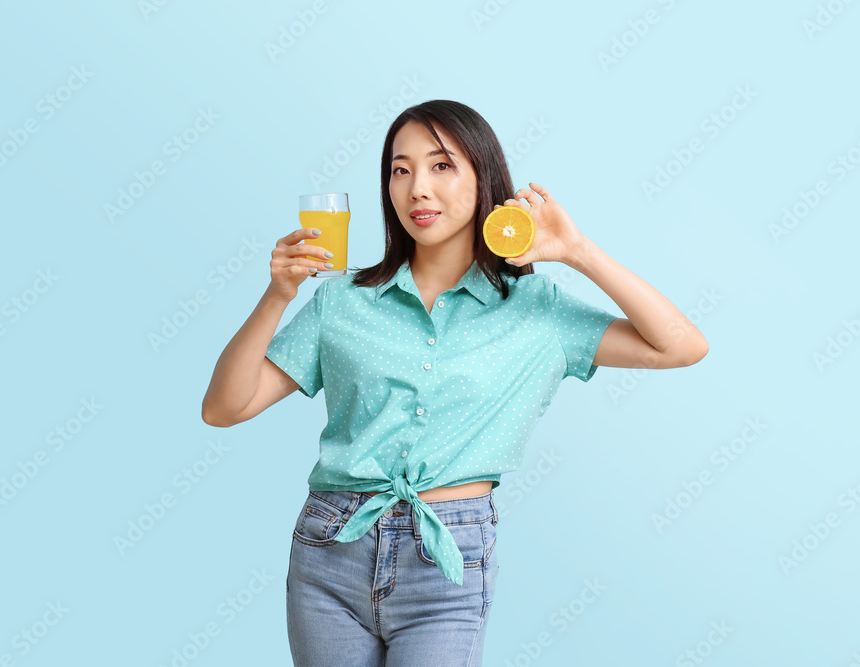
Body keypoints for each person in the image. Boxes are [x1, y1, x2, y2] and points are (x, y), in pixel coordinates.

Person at [201, 99, 708, 666]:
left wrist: (578, 253)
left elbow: (681, 345)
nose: (418, 187)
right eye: (400, 168)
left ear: (483, 178)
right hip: (329, 548)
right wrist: (278, 295)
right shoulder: (342, 302)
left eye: (442, 165)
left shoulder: (537, 312)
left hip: (447, 558)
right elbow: (224, 407)